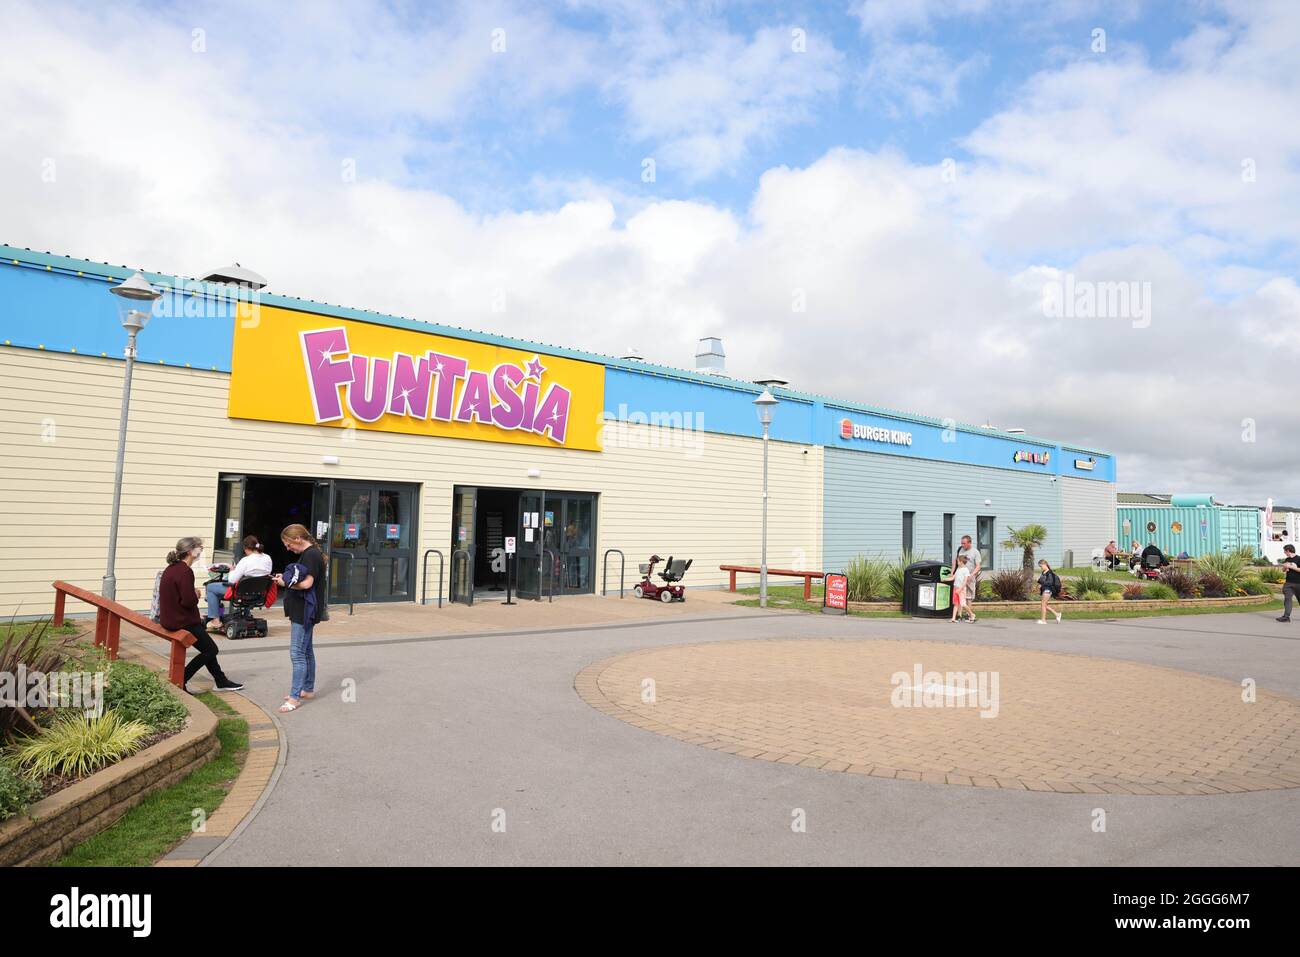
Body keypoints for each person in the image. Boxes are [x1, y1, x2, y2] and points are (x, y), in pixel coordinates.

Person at [158, 536, 244, 693]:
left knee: (207, 648)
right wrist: (196, 593)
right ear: (191, 551)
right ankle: (181, 678)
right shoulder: (185, 571)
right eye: (200, 547)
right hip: (182, 621)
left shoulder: (172, 568)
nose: (201, 550)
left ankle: (220, 680)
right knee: (211, 650)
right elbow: (188, 602)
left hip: (170, 619)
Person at [274, 524, 328, 713]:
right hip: (305, 610)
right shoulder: (311, 554)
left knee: (297, 654)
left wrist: (284, 583)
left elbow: (306, 584)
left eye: (288, 544)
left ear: (297, 539)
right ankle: (308, 688)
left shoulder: (311, 555)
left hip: (304, 611)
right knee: (306, 652)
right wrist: (286, 578)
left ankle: (295, 697)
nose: (288, 548)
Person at [203, 534, 273, 632]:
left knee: (211, 587)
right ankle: (246, 614)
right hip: (258, 593)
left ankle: (215, 620)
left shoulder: (246, 560)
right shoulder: (267, 558)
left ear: (246, 548)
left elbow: (231, 580)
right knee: (247, 585)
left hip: (241, 593)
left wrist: (232, 569)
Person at [944, 554, 976, 623]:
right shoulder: (958, 569)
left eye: (957, 561)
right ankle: (953, 618)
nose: (957, 562)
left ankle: (972, 614)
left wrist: (960, 589)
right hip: (955, 588)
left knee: (963, 604)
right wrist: (945, 579)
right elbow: (953, 578)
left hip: (961, 589)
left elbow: (965, 582)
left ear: (961, 562)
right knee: (956, 604)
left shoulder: (965, 570)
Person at [955, 534, 982, 605]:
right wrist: (953, 573)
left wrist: (971, 575)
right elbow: (956, 561)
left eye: (964, 543)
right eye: (961, 543)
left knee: (968, 597)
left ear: (969, 543)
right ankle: (959, 614)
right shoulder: (960, 550)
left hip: (970, 577)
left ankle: (968, 614)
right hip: (960, 577)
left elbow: (978, 566)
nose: (962, 545)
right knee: (960, 594)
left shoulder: (975, 552)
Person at [1278, 545, 1300, 623]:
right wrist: (1285, 567)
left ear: (1288, 551)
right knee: (1287, 598)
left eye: (1285, 551)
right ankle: (1286, 617)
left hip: (1298, 583)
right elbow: (1284, 570)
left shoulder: (1298, 558)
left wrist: (1292, 567)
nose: (1284, 552)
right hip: (1288, 583)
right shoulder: (1287, 559)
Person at [1036, 559, 1063, 624]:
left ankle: (1043, 620)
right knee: (1044, 604)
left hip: (1048, 590)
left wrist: (1041, 582)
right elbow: (1041, 580)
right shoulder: (1043, 572)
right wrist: (1039, 583)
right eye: (1040, 567)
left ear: (1045, 564)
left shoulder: (1050, 573)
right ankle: (1057, 614)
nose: (1041, 568)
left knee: (1043, 604)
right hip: (1045, 589)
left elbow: (1050, 582)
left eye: (1041, 566)